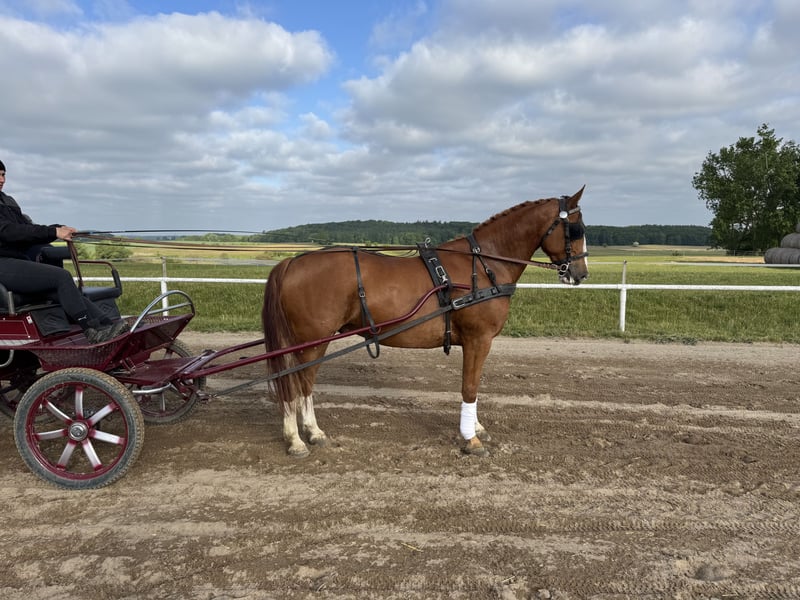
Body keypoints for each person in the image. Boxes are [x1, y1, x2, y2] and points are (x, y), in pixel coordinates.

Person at [0, 158, 128, 343]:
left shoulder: (7, 201)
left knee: (59, 289)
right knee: (61, 277)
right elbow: (9, 231)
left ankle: (109, 326)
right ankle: (92, 332)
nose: (2, 179)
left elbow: (27, 230)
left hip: (15, 261)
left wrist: (58, 229)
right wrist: (54, 232)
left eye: (3, 174)